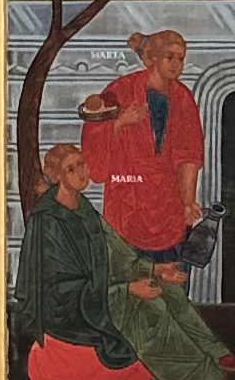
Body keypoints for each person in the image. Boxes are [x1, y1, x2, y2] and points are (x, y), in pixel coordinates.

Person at [15, 141, 235, 380]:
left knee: (169, 290)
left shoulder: (82, 207)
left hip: (98, 288)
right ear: (57, 177)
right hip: (72, 308)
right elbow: (58, 290)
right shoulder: (49, 221)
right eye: (70, 169)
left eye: (81, 164)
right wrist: (128, 289)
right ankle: (203, 376)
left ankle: (213, 349)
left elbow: (116, 253)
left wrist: (154, 269)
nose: (81, 172)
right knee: (152, 309)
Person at [77, 28, 204, 255]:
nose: (176, 64)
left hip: (167, 203)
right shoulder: (121, 90)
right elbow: (94, 130)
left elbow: (188, 157)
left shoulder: (183, 98)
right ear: (151, 58)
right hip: (127, 199)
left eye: (181, 58)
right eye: (169, 57)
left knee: (171, 270)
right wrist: (120, 123)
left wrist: (188, 202)